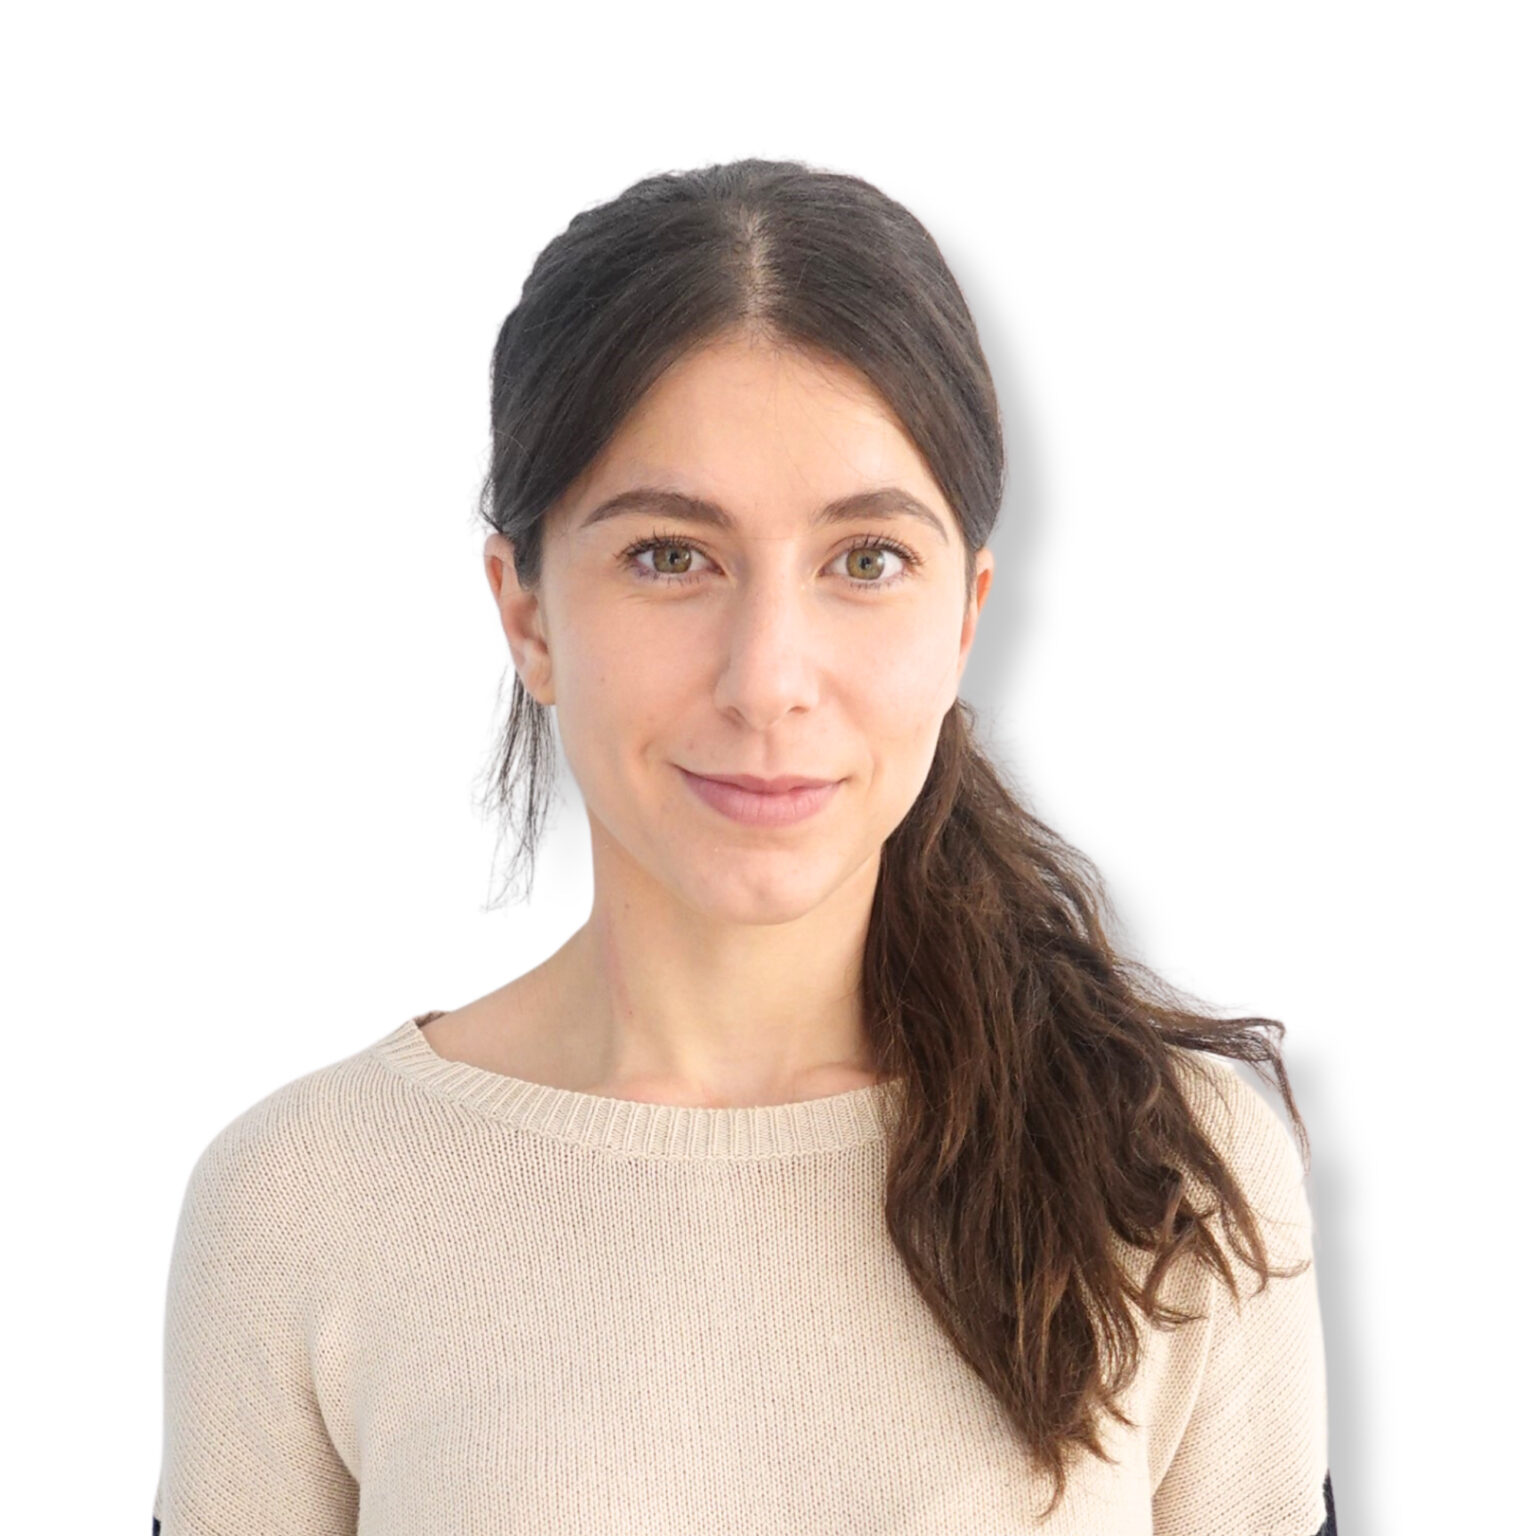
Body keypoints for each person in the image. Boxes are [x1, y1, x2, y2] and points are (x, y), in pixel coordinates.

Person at [151, 158, 1335, 1535]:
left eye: (867, 560)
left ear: (965, 615)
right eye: (670, 556)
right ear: (526, 614)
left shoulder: (1172, 1176)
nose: (768, 678)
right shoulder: (301, 1201)